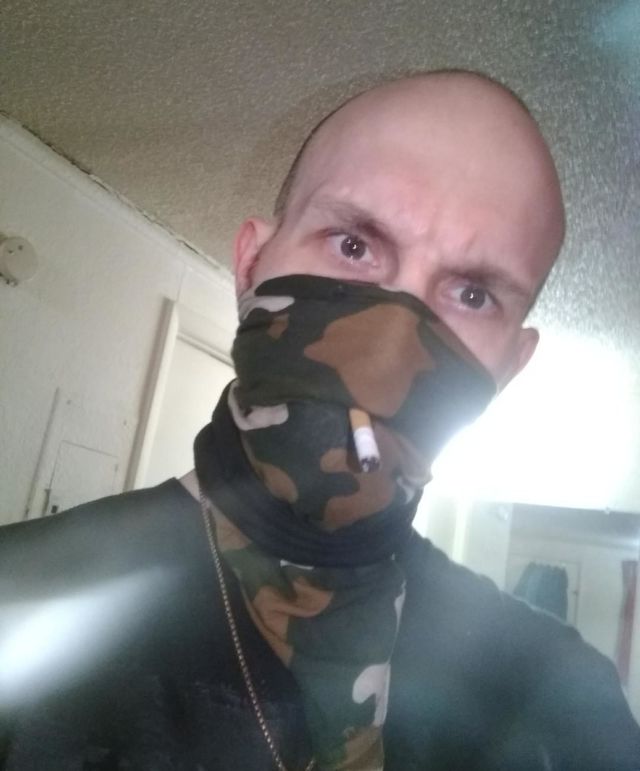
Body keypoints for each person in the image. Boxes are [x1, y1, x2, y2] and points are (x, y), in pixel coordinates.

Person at [1, 70, 639, 770]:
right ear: (250, 264)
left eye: (472, 294)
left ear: (511, 366)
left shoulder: (560, 706)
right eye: (353, 245)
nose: (391, 342)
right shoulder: (16, 595)